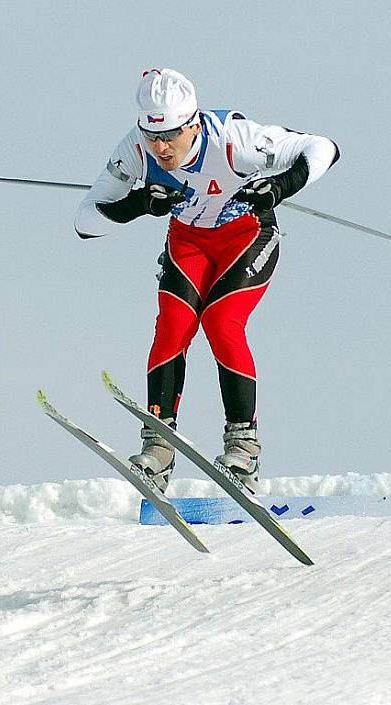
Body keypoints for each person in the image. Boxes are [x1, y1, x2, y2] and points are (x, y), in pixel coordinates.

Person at [74, 68, 339, 494]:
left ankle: (243, 448)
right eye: (151, 136)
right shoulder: (135, 150)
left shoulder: (234, 139)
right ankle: (158, 448)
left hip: (247, 235)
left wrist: (280, 186)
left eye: (172, 136)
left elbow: (324, 148)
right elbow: (85, 221)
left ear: (193, 124)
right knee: (173, 327)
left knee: (221, 322)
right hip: (189, 242)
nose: (161, 148)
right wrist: (138, 204)